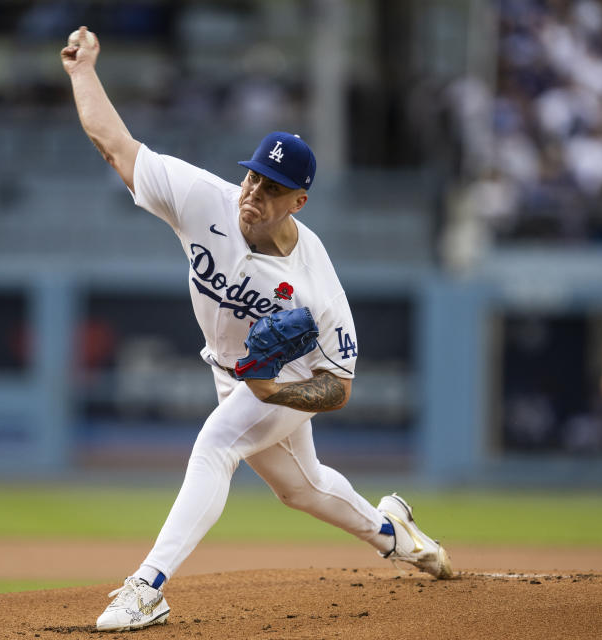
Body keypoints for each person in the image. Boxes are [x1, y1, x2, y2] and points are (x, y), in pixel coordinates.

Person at [61, 26, 452, 632]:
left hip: (285, 378)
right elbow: (115, 144)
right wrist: (83, 72)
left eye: (271, 189)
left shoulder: (316, 285)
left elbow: (338, 387)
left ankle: (148, 586)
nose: (253, 193)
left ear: (298, 202)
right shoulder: (204, 200)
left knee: (217, 446)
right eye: (251, 177)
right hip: (233, 371)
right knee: (302, 488)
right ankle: (395, 534)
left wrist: (272, 392)